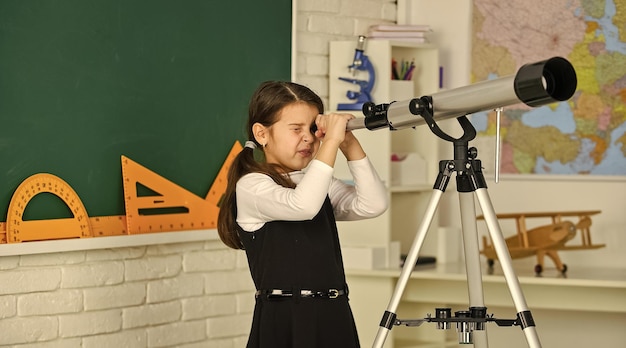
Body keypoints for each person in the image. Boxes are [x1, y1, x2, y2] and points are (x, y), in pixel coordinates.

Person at [217, 81, 388, 348]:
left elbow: (373, 204)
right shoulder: (252, 186)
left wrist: (349, 144)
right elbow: (303, 206)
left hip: (334, 314)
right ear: (262, 134)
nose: (308, 137)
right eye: (296, 129)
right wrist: (330, 140)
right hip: (285, 319)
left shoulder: (316, 183)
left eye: (312, 129)